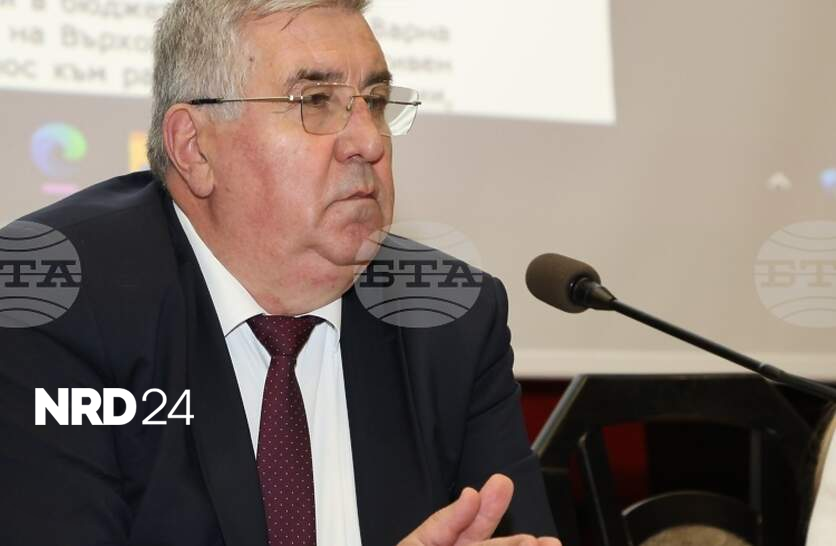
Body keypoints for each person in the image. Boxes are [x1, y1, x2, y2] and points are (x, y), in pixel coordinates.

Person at [0, 1, 560, 545]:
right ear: (194, 149)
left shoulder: (448, 315)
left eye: (375, 101)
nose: (370, 141)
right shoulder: (53, 300)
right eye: (315, 101)